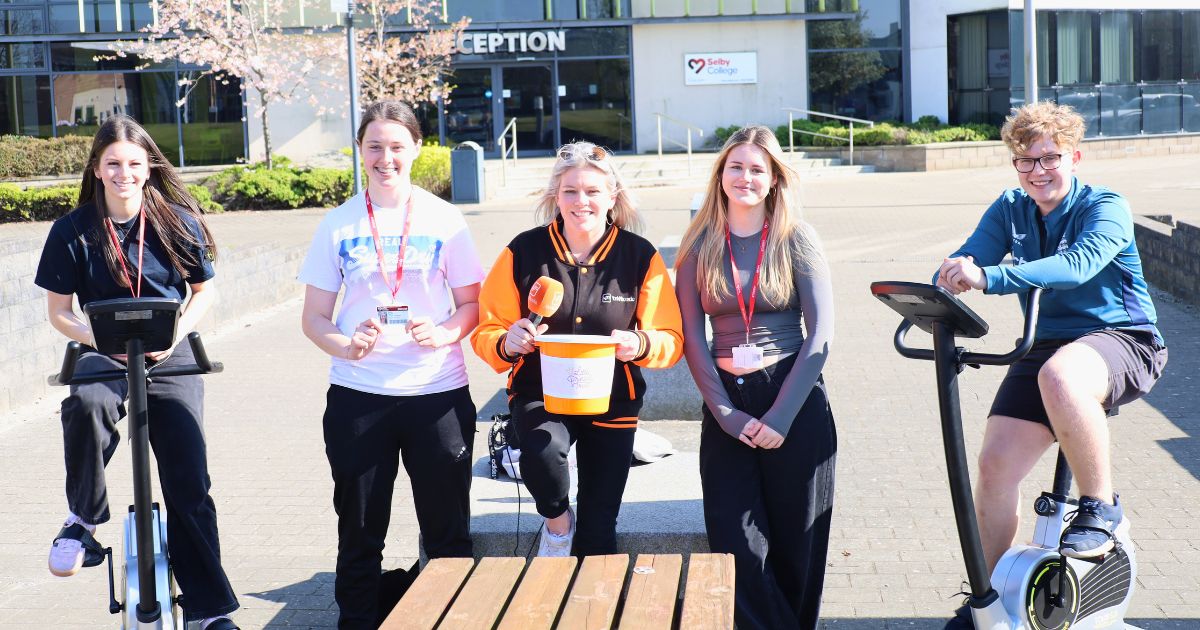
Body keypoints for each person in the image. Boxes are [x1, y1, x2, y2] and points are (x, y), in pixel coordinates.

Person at [935, 101, 1168, 627]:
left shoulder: (1105, 206)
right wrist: (948, 276)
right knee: (994, 468)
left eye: (1050, 158)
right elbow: (975, 254)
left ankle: (1100, 507)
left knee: (1061, 375)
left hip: (1123, 338)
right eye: (1026, 161)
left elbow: (1075, 265)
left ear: (1074, 157)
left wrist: (989, 279)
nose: (1038, 170)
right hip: (1046, 345)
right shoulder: (1010, 208)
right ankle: (988, 602)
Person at [34, 115, 240, 630]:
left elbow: (203, 290)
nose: (123, 172)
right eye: (112, 164)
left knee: (187, 479)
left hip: (168, 354)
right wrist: (100, 341)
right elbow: (60, 312)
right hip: (104, 350)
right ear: (98, 170)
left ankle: (209, 611)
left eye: (133, 162)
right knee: (86, 404)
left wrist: (175, 334)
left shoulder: (177, 222)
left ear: (149, 167)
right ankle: (82, 519)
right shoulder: (71, 231)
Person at [298, 101, 483, 629]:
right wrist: (345, 346)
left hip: (436, 395)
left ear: (417, 149)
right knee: (359, 530)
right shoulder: (338, 224)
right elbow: (314, 318)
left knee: (448, 532)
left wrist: (446, 330)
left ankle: (454, 621)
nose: (385, 158)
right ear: (361, 151)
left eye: (397, 146)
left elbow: (472, 305)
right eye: (374, 146)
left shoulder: (445, 219)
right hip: (360, 397)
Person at [471, 141, 683, 557]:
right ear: (555, 195)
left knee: (600, 524)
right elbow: (486, 330)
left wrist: (639, 343)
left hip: (614, 401)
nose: (580, 201)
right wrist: (506, 341)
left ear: (612, 198)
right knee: (543, 454)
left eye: (592, 191)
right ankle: (556, 526)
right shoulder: (523, 251)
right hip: (540, 394)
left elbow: (670, 339)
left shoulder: (639, 256)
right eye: (570, 191)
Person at [675, 125, 837, 630]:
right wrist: (724, 413)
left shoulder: (797, 238)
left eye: (757, 169)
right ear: (721, 174)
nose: (745, 177)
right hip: (728, 405)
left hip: (792, 397)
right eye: (736, 166)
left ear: (774, 180)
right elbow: (691, 337)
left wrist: (782, 418)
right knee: (735, 542)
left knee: (795, 544)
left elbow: (821, 335)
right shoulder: (699, 242)